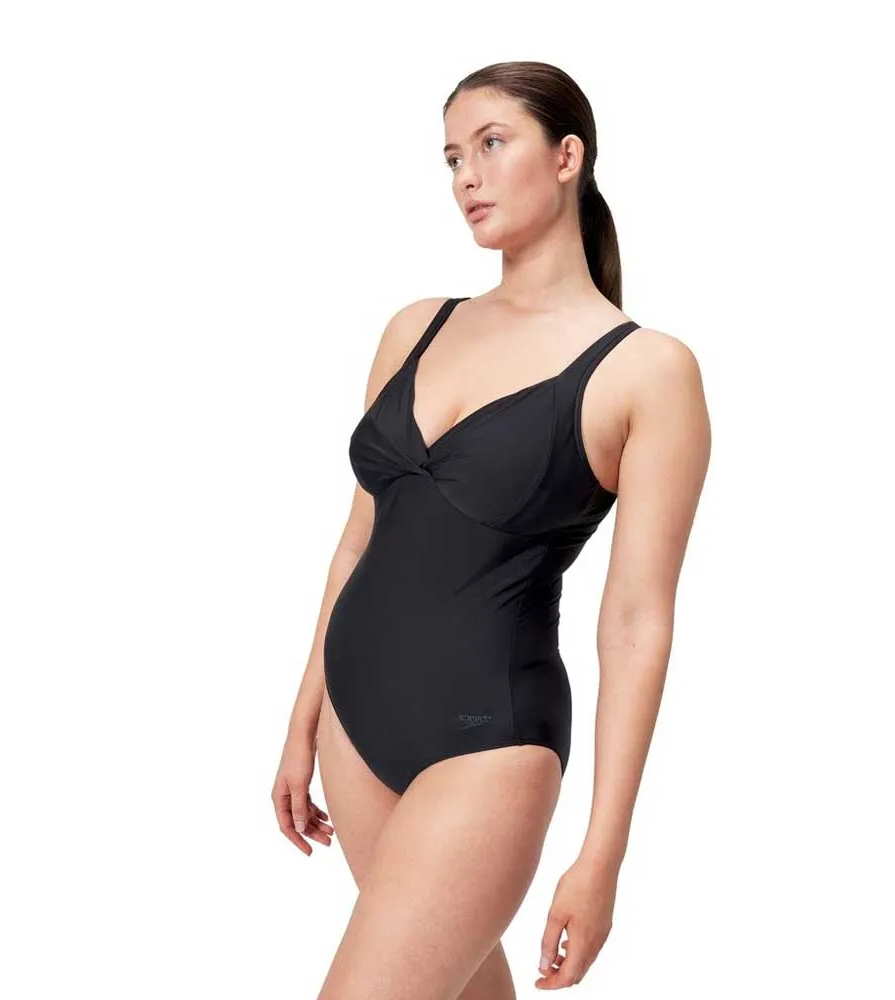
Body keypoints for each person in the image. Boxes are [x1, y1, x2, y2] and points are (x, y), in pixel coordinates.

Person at [272, 59, 711, 998]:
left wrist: (602, 856)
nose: (466, 176)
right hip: (355, 726)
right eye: (451, 158)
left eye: (491, 144)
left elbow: (636, 621)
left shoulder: (646, 371)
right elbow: (358, 540)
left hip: (489, 743)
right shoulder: (416, 327)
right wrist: (303, 716)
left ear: (567, 156)